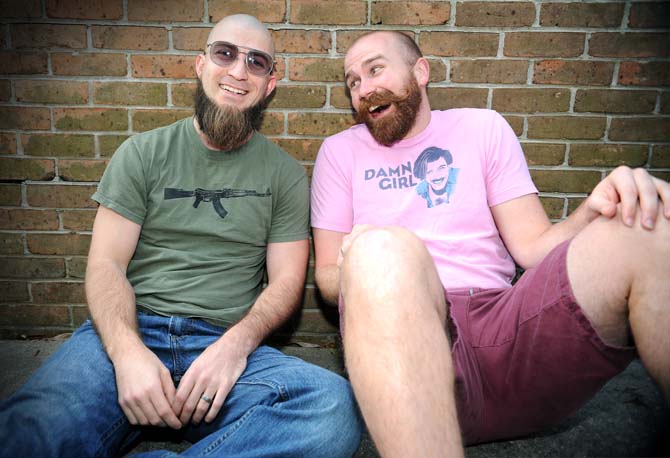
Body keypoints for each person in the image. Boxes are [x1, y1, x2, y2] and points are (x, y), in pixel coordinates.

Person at [0, 15, 362, 458]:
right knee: (29, 429)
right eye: (224, 54)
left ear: (269, 83)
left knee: (329, 409)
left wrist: (234, 347)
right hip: (131, 330)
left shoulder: (283, 174)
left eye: (256, 62)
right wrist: (127, 352)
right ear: (200, 64)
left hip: (224, 344)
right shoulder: (142, 152)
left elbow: (287, 283)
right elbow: (105, 264)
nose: (237, 71)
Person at [310, 30, 670, 457]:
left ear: (420, 71)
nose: (365, 88)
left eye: (375, 69)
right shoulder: (338, 153)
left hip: (505, 329)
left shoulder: (482, 128)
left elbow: (533, 247)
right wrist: (363, 258)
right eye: (353, 82)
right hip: (402, 341)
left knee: (644, 221)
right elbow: (328, 278)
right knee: (382, 250)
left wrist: (592, 211)